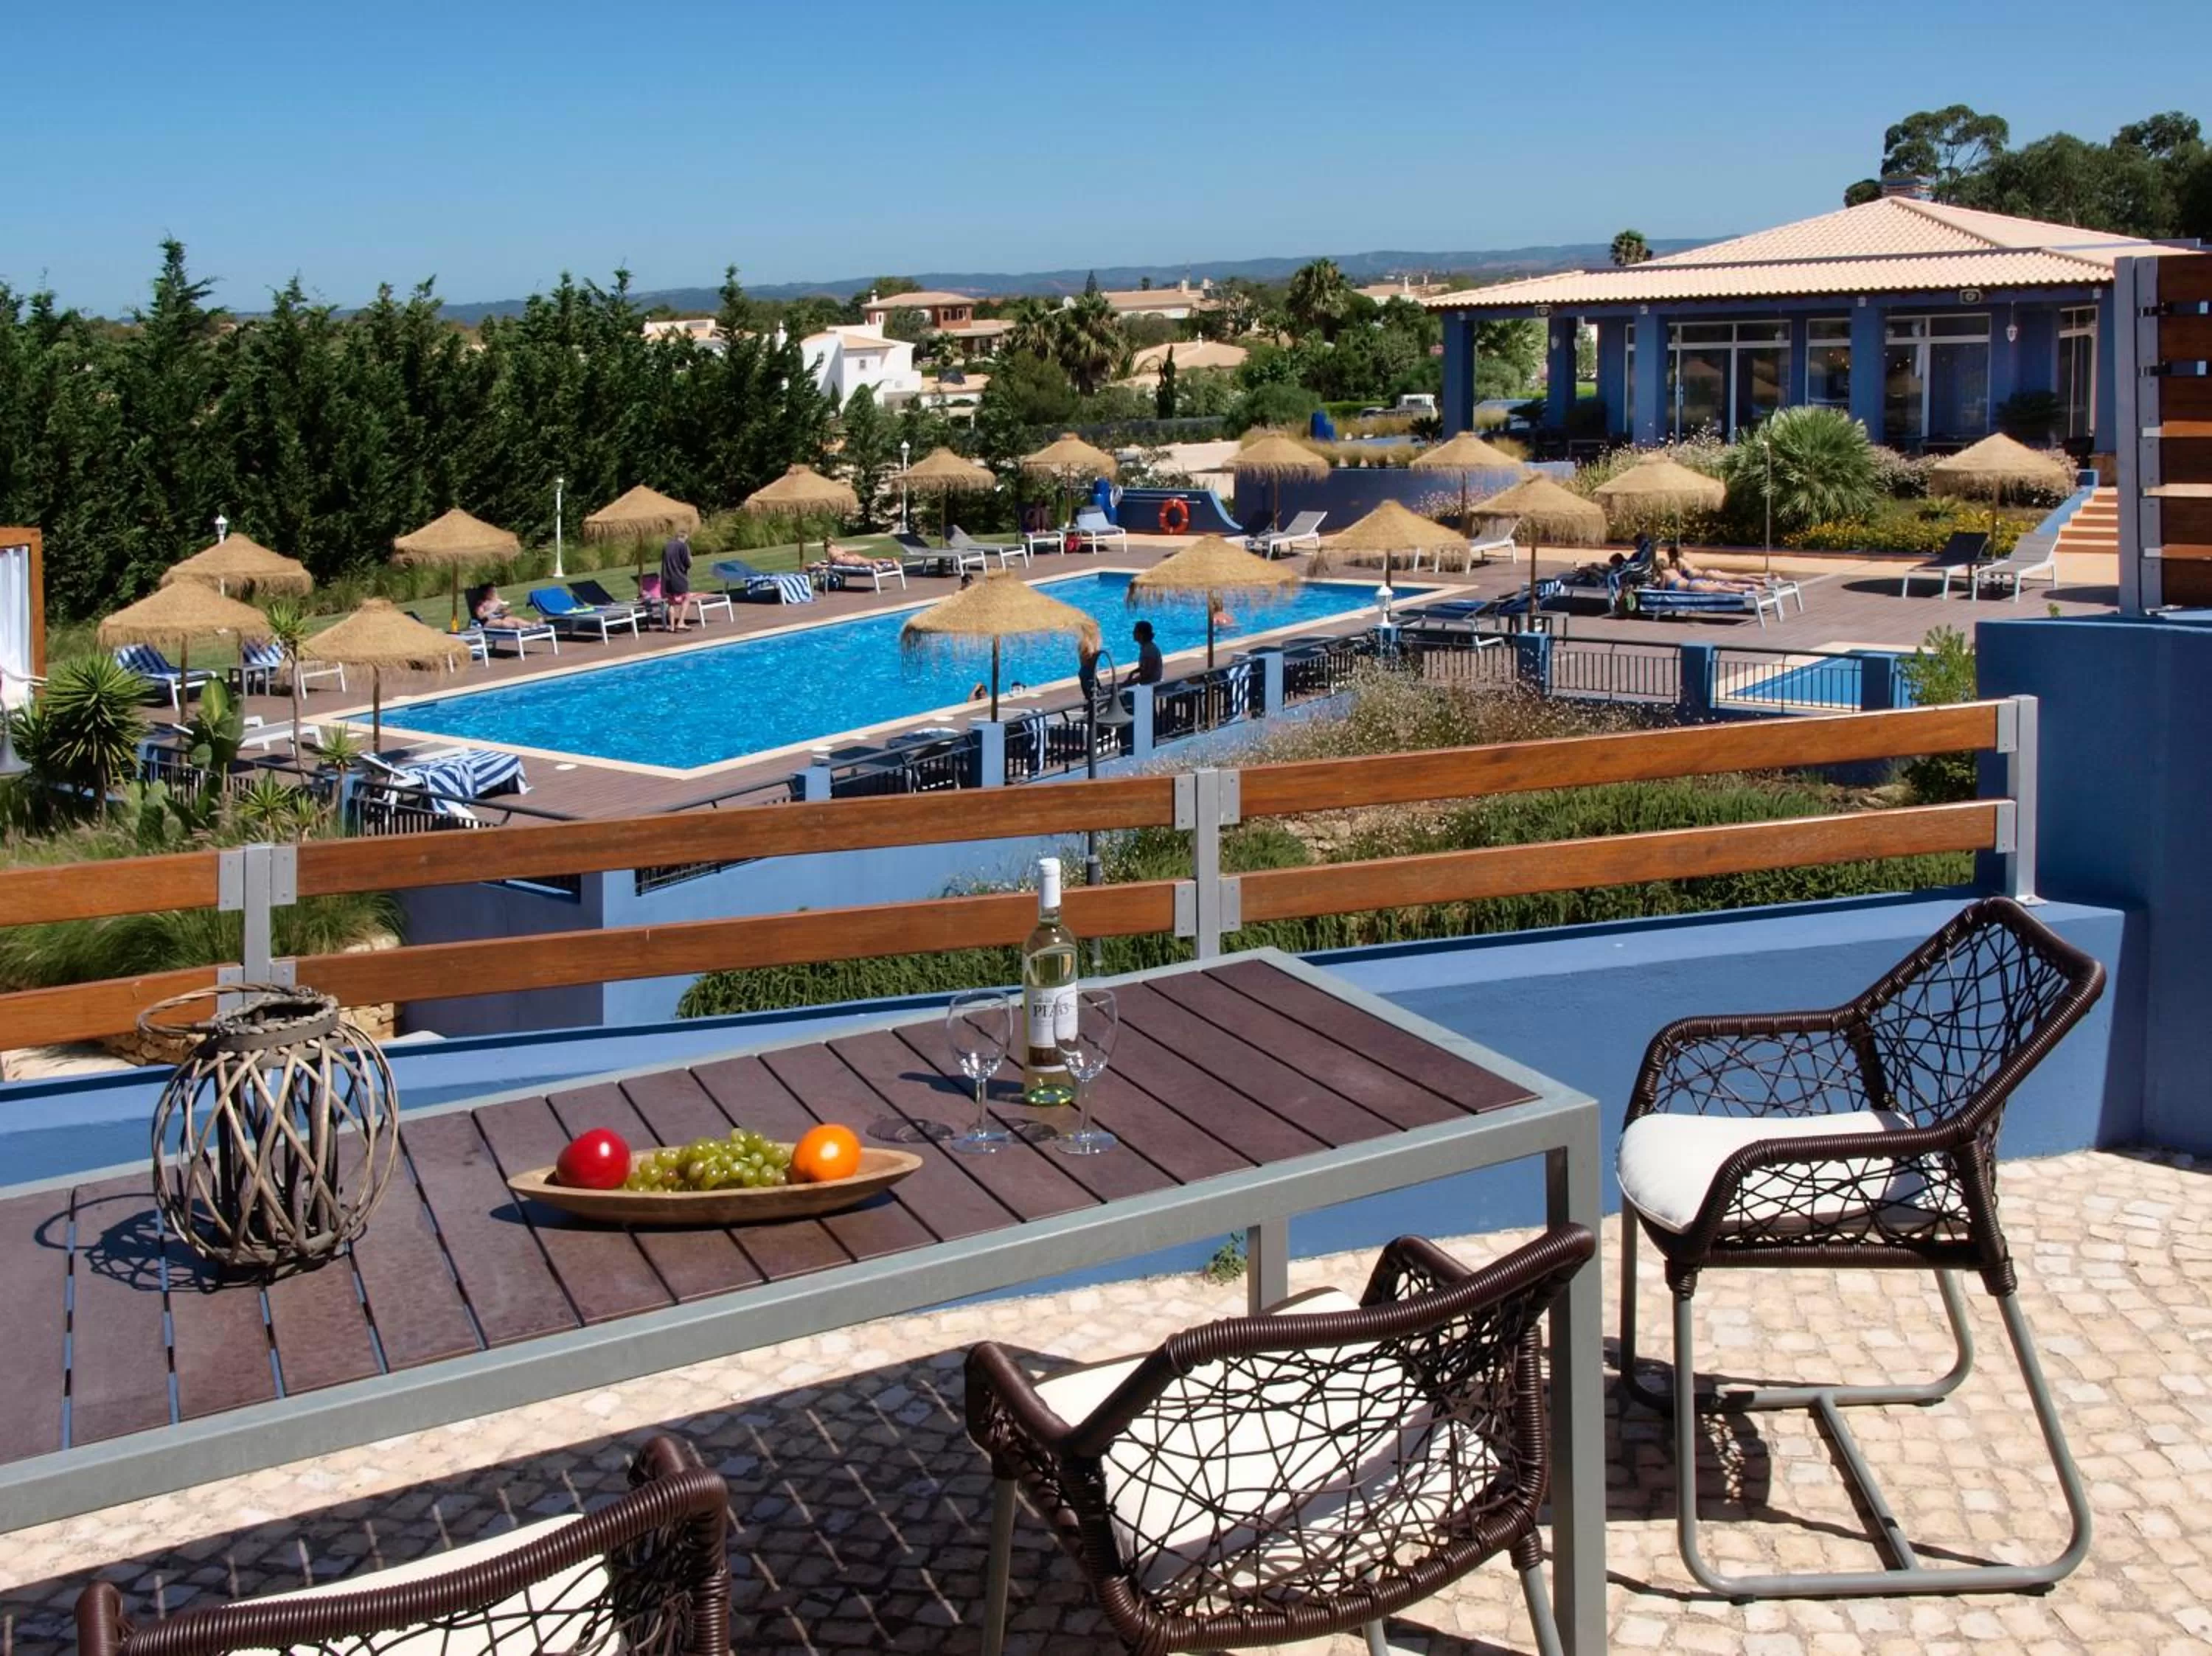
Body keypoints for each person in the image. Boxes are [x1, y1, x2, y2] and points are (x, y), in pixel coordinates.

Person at [660, 531, 701, 630]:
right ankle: (681, 622)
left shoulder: (667, 546)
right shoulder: (683, 546)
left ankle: (672, 627)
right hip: (679, 576)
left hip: (667, 577)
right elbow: (688, 563)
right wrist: (690, 559)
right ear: (684, 537)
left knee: (671, 602)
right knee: (686, 597)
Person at [1129, 620, 1164, 686]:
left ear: (1141, 635)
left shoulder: (1149, 650)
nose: (1133, 633)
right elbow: (1144, 668)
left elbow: (1148, 673)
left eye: (1135, 631)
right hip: (1149, 681)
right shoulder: (1146, 647)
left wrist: (1132, 681)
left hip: (1151, 684)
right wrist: (1132, 673)